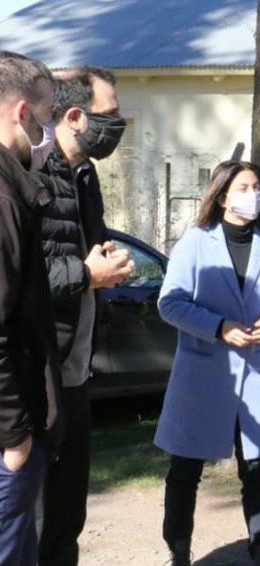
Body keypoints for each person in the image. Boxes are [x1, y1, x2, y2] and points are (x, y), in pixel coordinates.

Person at [154, 160, 260, 566]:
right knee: (185, 472)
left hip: (255, 373)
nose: (253, 193)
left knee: (257, 472)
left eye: (257, 186)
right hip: (202, 376)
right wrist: (218, 326)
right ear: (223, 195)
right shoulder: (196, 241)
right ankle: (178, 551)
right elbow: (170, 303)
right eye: (244, 186)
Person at [37, 65, 134, 566]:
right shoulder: (27, 173)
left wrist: (108, 266)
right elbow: (20, 275)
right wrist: (86, 273)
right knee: (30, 509)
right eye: (109, 115)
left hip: (77, 365)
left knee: (68, 507)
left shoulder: (84, 173)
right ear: (75, 116)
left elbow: (83, 252)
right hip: (37, 368)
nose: (117, 125)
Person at [0, 51, 64, 566]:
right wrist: (15, 433)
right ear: (22, 113)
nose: (49, 135)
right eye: (46, 119)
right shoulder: (2, 196)